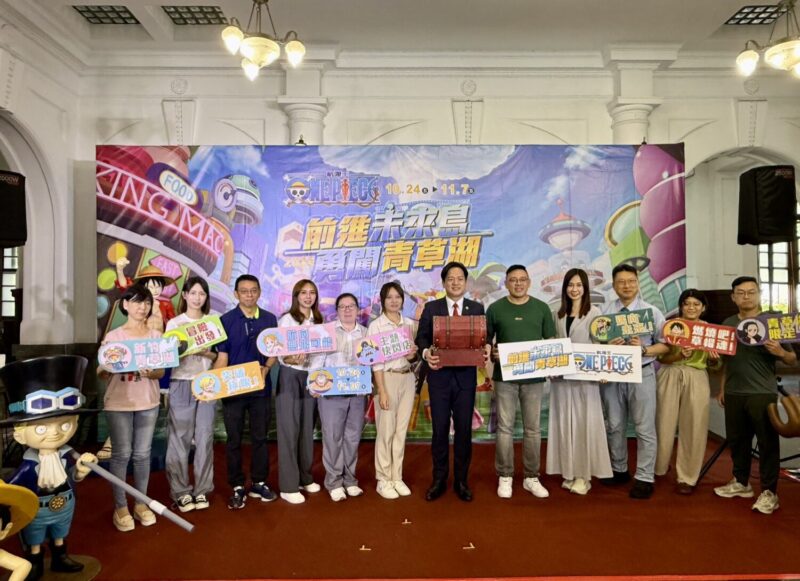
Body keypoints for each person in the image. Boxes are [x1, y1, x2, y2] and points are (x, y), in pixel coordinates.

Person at [714, 276, 796, 515]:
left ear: (759, 294)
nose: (746, 296)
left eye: (751, 292)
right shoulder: (728, 323)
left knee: (767, 443)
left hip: (762, 392)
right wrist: (723, 388)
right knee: (737, 440)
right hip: (734, 392)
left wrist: (780, 352)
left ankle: (770, 492)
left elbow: (792, 359)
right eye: (740, 293)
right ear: (733, 297)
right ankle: (741, 483)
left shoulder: (773, 322)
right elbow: (726, 362)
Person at [416, 261, 486, 502]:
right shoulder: (431, 307)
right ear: (444, 282)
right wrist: (427, 353)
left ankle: (461, 481)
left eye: (460, 279)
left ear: (465, 282)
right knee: (440, 430)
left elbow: (483, 338)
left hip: (466, 379)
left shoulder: (476, 308)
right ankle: (439, 479)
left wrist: (486, 347)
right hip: (439, 378)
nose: (455, 283)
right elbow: (421, 338)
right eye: (450, 279)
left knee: (464, 430)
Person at [97, 283, 164, 531]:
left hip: (148, 401)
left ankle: (141, 503)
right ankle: (121, 507)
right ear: (125, 305)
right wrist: (108, 367)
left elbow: (160, 372)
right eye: (137, 302)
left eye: (146, 302)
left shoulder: (155, 337)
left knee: (142, 454)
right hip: (119, 402)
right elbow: (101, 372)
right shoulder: (114, 337)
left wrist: (151, 372)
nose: (142, 307)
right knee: (121, 454)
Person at [600, 264, 668, 499]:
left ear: (638, 283)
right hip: (613, 374)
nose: (626, 286)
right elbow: (595, 342)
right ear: (614, 285)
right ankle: (619, 468)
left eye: (631, 281)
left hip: (642, 372)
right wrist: (607, 345)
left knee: (644, 427)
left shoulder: (651, 312)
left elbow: (665, 345)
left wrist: (644, 349)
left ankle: (644, 477)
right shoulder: (605, 311)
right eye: (621, 282)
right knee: (614, 425)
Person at [486, 265, 554, 499]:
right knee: (504, 428)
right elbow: (486, 342)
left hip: (534, 379)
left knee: (532, 429)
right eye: (513, 280)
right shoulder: (495, 309)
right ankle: (505, 475)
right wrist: (492, 352)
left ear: (529, 282)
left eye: (522, 279)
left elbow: (550, 341)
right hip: (505, 378)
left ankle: (531, 477)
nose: (518, 283)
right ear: (506, 283)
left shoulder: (541, 308)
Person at [215, 274, 278, 510]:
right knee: (234, 439)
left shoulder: (270, 319)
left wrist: (266, 368)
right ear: (236, 294)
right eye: (244, 291)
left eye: (253, 290)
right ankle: (237, 485)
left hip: (261, 389)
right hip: (233, 390)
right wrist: (211, 384)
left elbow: (275, 350)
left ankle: (259, 482)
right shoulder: (225, 320)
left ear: (259, 292)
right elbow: (222, 356)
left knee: (260, 437)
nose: (249, 295)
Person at [547, 268, 612, 495]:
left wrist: (603, 370)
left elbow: (601, 345)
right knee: (564, 424)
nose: (574, 289)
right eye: (570, 285)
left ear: (585, 288)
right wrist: (550, 368)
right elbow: (552, 344)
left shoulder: (595, 313)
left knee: (584, 425)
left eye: (578, 285)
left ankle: (584, 476)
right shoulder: (557, 314)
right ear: (565, 288)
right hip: (561, 381)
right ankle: (569, 472)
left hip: (586, 380)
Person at [655, 289, 721, 494]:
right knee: (662, 424)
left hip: (697, 376)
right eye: (687, 303)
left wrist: (714, 359)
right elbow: (661, 358)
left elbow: (716, 367)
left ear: (703, 307)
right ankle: (658, 467)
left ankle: (687, 477)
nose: (691, 308)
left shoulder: (710, 331)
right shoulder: (671, 326)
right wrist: (678, 356)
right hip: (670, 373)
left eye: (696, 304)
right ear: (681, 306)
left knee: (694, 425)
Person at [164, 276, 219, 512]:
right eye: (193, 293)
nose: (197, 298)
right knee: (179, 438)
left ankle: (202, 489)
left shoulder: (212, 322)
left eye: (202, 294)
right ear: (185, 295)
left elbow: (218, 356)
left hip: (206, 384)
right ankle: (181, 491)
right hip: (181, 382)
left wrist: (206, 353)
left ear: (206, 297)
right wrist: (184, 352)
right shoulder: (174, 324)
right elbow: (167, 357)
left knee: (205, 437)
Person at [276, 279, 325, 504]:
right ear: (296, 296)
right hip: (290, 375)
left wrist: (317, 379)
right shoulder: (287, 319)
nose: (308, 297)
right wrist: (289, 358)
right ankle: (288, 485)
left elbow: (323, 353)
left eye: (312, 292)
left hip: (311, 377)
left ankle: (305, 478)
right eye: (303, 292)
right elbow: (280, 353)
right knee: (289, 429)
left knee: (307, 429)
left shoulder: (319, 321)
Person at [368, 282, 419, 500]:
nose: (394, 301)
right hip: (386, 379)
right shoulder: (376, 326)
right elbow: (375, 361)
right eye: (389, 297)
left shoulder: (409, 324)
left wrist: (412, 355)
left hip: (407, 378)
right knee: (386, 431)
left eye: (397, 297)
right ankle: (383, 479)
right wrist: (382, 390)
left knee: (400, 431)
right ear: (382, 300)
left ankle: (397, 477)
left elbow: (413, 356)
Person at [316, 293, 369, 502]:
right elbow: (317, 362)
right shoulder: (326, 332)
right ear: (336, 310)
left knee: (352, 437)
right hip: (331, 394)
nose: (347, 310)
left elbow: (372, 362)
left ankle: (350, 480)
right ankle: (334, 482)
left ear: (358, 310)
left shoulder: (366, 333)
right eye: (342, 307)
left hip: (357, 394)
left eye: (351, 306)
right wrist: (314, 384)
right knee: (332, 438)